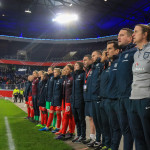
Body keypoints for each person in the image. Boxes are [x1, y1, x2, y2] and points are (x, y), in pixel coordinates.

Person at [130, 24, 150, 150]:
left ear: (145, 34)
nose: (133, 34)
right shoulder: (136, 54)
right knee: (138, 137)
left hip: (147, 98)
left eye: (136, 31)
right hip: (133, 99)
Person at [117, 28, 137, 150]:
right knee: (125, 130)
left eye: (122, 35)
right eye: (118, 35)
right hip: (121, 98)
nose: (118, 37)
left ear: (130, 38)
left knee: (136, 130)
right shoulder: (122, 54)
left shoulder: (135, 51)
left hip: (131, 97)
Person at [106, 41, 121, 150]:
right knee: (112, 126)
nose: (107, 51)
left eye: (110, 48)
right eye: (107, 48)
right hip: (110, 98)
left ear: (117, 50)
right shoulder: (111, 64)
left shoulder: (120, 61)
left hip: (118, 99)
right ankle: (112, 146)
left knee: (120, 128)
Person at [56, 64, 75, 140]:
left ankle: (64, 133)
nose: (65, 70)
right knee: (69, 116)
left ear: (71, 70)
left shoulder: (72, 78)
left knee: (67, 116)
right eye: (64, 69)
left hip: (69, 101)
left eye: (67, 69)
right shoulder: (66, 78)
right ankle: (70, 132)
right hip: (65, 100)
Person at [99, 50, 112, 150]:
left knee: (110, 124)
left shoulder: (110, 67)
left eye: (102, 55)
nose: (100, 57)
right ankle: (106, 143)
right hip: (102, 99)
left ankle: (110, 145)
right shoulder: (103, 68)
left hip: (109, 99)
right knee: (104, 124)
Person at [82, 55, 96, 144]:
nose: (84, 62)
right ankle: (92, 137)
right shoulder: (87, 71)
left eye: (86, 60)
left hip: (93, 97)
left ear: (91, 60)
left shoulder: (94, 69)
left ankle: (95, 138)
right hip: (87, 97)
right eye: (83, 60)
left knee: (95, 118)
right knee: (90, 118)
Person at [71, 62, 86, 143]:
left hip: (80, 101)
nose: (75, 66)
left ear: (80, 67)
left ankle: (83, 136)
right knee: (76, 119)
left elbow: (84, 87)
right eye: (74, 65)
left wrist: (83, 99)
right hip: (73, 101)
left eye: (76, 65)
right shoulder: (75, 75)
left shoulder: (83, 75)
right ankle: (78, 135)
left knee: (81, 119)